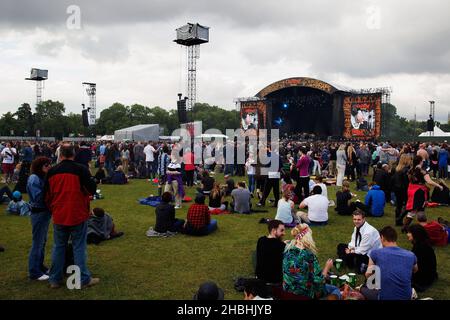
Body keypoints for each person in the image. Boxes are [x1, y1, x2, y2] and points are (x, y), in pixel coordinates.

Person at [45, 143, 98, 289]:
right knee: (79, 247)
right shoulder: (81, 170)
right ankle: (83, 279)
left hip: (60, 214)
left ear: (60, 154)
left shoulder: (52, 171)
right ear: (73, 154)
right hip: (77, 213)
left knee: (59, 246)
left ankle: (55, 279)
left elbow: (47, 195)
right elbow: (91, 190)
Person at [282, 224, 340, 299]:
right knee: (335, 289)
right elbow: (318, 281)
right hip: (305, 294)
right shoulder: (309, 255)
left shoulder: (287, 248)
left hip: (287, 292)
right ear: (307, 238)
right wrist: (327, 267)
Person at [360, 226, 418, 300]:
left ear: (382, 238)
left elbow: (368, 274)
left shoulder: (375, 253)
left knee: (362, 288)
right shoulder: (410, 255)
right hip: (406, 296)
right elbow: (415, 270)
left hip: (383, 297)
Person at [27, 157, 52, 281]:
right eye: (46, 165)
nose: (49, 167)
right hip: (39, 213)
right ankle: (34, 272)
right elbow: (38, 197)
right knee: (37, 243)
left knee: (42, 242)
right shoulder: (34, 178)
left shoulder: (41, 177)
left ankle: (40, 266)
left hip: (45, 213)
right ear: (39, 166)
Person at [407, 224, 438, 292]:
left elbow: (417, 266)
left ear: (415, 234)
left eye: (409, 232)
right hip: (427, 274)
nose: (407, 234)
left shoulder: (421, 247)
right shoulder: (421, 244)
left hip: (423, 277)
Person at [255, 220, 286, 285]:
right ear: (274, 230)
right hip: (275, 281)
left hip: (260, 277)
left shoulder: (261, 240)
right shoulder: (281, 246)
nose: (284, 233)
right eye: (281, 230)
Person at [392, 154, 411, 226]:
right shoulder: (406, 170)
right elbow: (406, 182)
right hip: (403, 189)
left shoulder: (397, 168)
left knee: (399, 205)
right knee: (407, 206)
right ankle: (399, 219)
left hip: (397, 188)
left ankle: (398, 220)